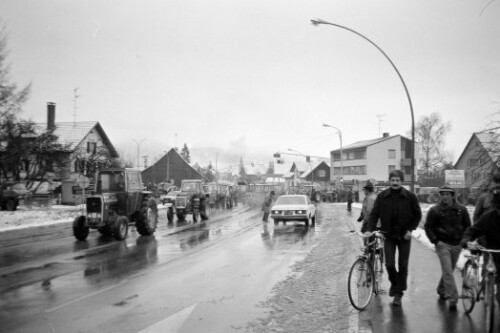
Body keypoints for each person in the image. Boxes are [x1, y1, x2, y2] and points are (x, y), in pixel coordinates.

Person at [366, 170, 422, 306]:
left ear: (402, 182)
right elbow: (374, 214)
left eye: (398, 180)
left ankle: (398, 293)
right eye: (393, 180)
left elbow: (417, 214)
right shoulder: (382, 196)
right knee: (389, 264)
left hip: (404, 236)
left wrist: (411, 230)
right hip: (389, 235)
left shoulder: (410, 196)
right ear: (389, 181)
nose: (395, 183)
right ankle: (395, 283)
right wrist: (369, 230)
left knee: (403, 265)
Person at [424, 185, 471, 310]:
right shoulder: (434, 210)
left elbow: (468, 227)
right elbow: (428, 227)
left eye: (447, 194)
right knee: (448, 271)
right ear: (440, 195)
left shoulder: (462, 209)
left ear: (452, 195)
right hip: (442, 244)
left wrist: (464, 240)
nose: (445, 197)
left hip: (457, 244)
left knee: (448, 270)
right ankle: (453, 298)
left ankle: (441, 288)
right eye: (442, 194)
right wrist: (436, 241)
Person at [461, 188, 500, 310]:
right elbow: (473, 230)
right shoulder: (488, 218)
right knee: (488, 272)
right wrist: (466, 240)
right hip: (491, 249)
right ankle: (487, 293)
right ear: (496, 208)